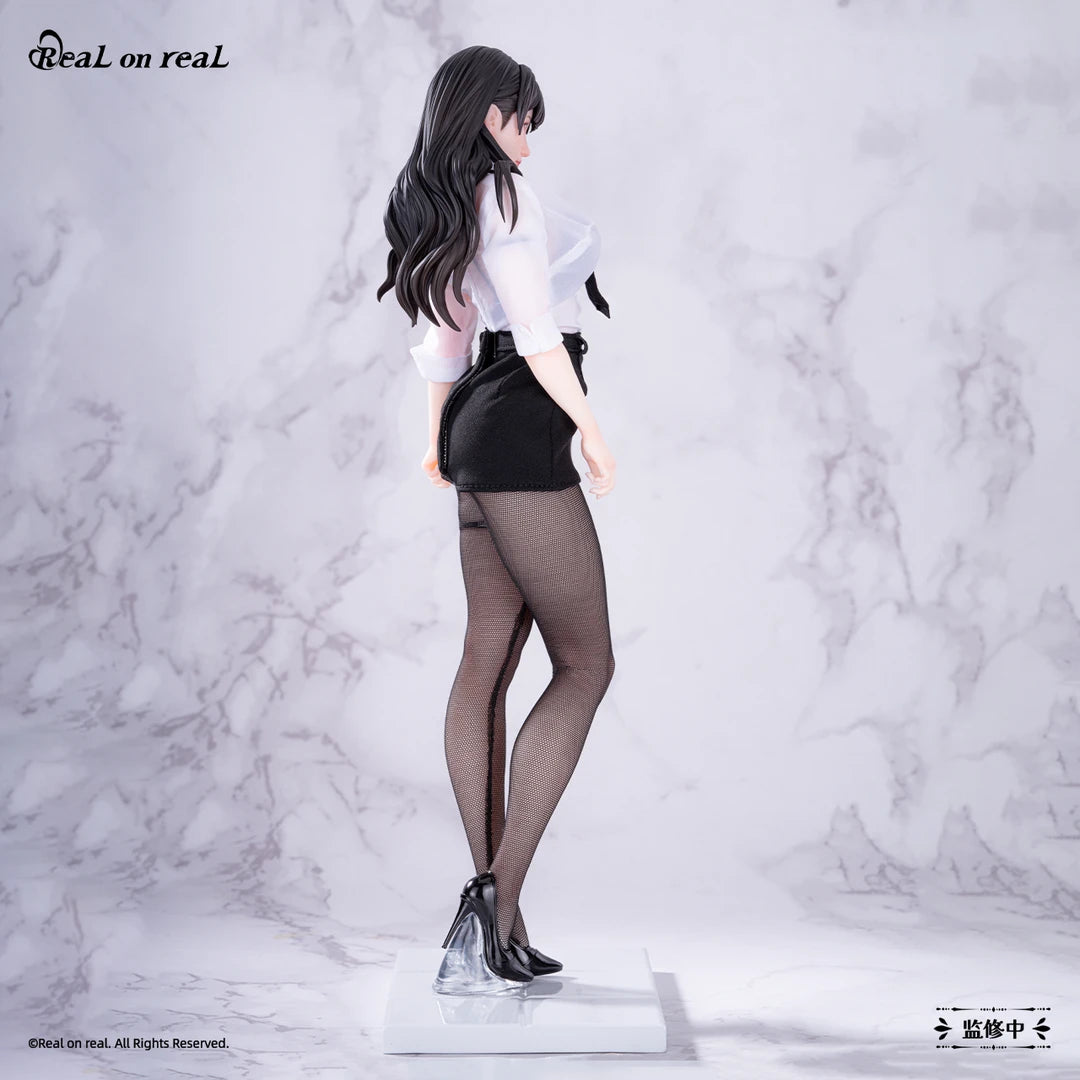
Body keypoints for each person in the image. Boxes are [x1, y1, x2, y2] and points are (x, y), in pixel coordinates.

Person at [377, 44, 617, 989]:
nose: (528, 137)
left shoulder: (442, 202)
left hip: (479, 422)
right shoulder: (505, 198)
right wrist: (590, 429)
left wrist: (441, 438)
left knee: (488, 660)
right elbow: (536, 329)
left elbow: (446, 336)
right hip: (522, 419)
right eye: (522, 119)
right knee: (585, 665)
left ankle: (492, 920)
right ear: (490, 114)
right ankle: (496, 906)